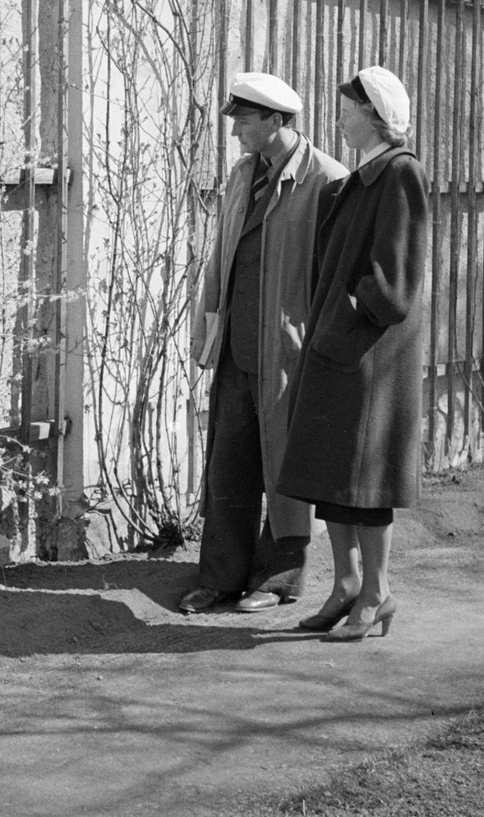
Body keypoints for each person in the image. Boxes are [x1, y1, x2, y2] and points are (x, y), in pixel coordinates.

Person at [179, 72, 348, 614]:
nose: (235, 134)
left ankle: (277, 580)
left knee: (284, 470)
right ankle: (220, 576)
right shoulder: (241, 175)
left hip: (289, 354)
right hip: (236, 348)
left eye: (244, 122)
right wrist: (206, 332)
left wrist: (322, 348)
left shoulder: (326, 181)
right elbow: (219, 258)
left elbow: (337, 277)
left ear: (275, 121)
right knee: (227, 466)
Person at [277, 66, 429, 641]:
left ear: (374, 114)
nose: (338, 118)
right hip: (337, 346)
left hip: (370, 356)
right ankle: (345, 586)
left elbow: (395, 285)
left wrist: (351, 300)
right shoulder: (357, 178)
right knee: (330, 474)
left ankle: (378, 592)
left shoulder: (400, 173)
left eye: (347, 109)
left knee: (364, 483)